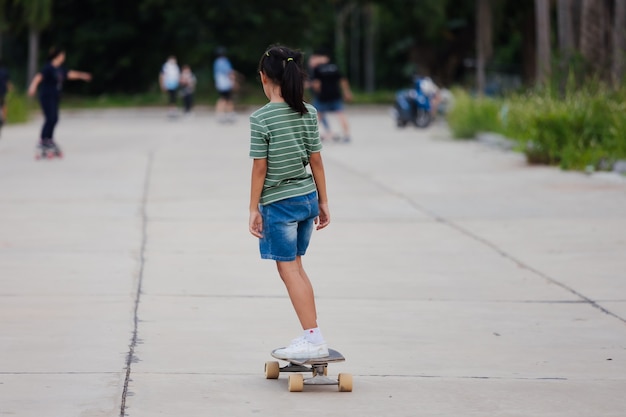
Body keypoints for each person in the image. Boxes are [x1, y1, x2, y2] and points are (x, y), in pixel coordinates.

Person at [248, 45, 331, 359]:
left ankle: (313, 339)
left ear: (263, 77)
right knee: (297, 267)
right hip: (307, 198)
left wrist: (253, 208)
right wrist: (323, 202)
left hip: (279, 204)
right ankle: (313, 334)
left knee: (290, 271)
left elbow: (260, 167)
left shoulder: (262, 118)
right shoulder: (308, 111)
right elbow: (317, 161)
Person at [27, 47, 91, 157]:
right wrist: (33, 87)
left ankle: (50, 139)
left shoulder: (60, 68)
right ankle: (43, 141)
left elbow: (69, 74)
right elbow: (39, 77)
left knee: (55, 118)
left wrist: (82, 75)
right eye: (63, 55)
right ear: (58, 56)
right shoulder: (48, 67)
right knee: (50, 118)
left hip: (55, 96)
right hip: (46, 96)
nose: (64, 57)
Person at [310, 48, 353, 142]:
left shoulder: (317, 69)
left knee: (318, 116)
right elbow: (343, 80)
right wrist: (347, 92)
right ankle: (347, 135)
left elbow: (317, 84)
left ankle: (311, 136)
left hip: (323, 96)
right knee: (341, 114)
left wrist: (316, 92)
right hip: (335, 95)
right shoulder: (335, 67)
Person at [213, 46, 236, 123]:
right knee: (228, 99)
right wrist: (233, 81)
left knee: (222, 98)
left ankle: (221, 114)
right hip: (226, 83)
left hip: (220, 84)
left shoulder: (216, 62)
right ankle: (229, 114)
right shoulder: (225, 61)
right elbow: (229, 72)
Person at [0, 59, 11, 131]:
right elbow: (8, 83)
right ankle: (4, 118)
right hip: (3, 91)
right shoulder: (5, 71)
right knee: (3, 105)